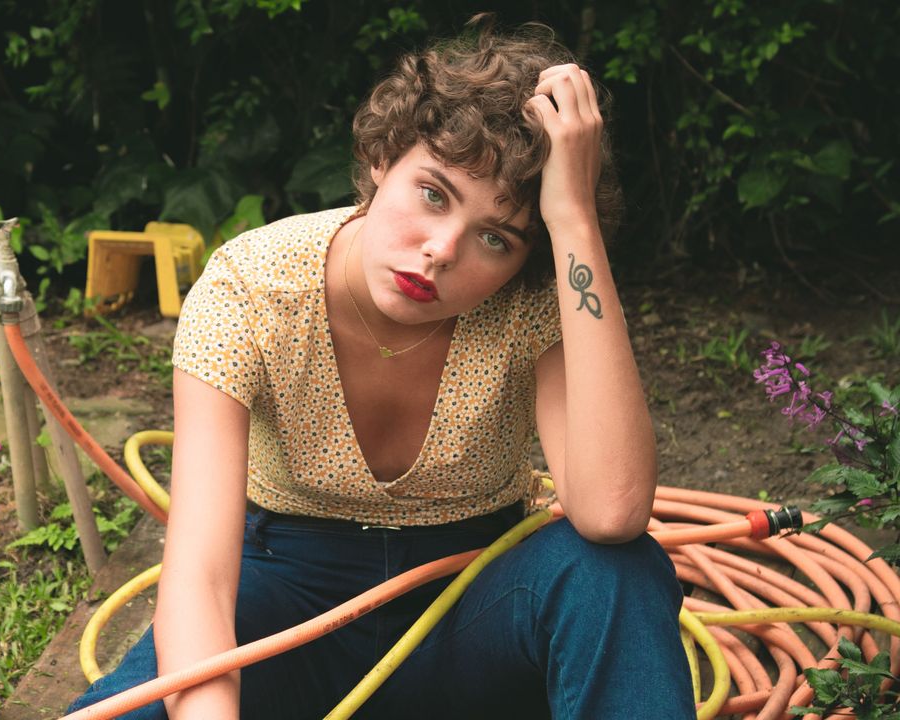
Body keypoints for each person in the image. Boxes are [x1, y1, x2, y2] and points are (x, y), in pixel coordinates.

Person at [70, 15, 693, 720]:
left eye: (495, 237)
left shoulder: (530, 305)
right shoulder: (250, 287)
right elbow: (201, 580)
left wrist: (573, 217)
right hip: (287, 609)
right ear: (380, 158)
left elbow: (612, 511)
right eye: (433, 194)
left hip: (470, 608)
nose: (442, 250)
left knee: (615, 570)